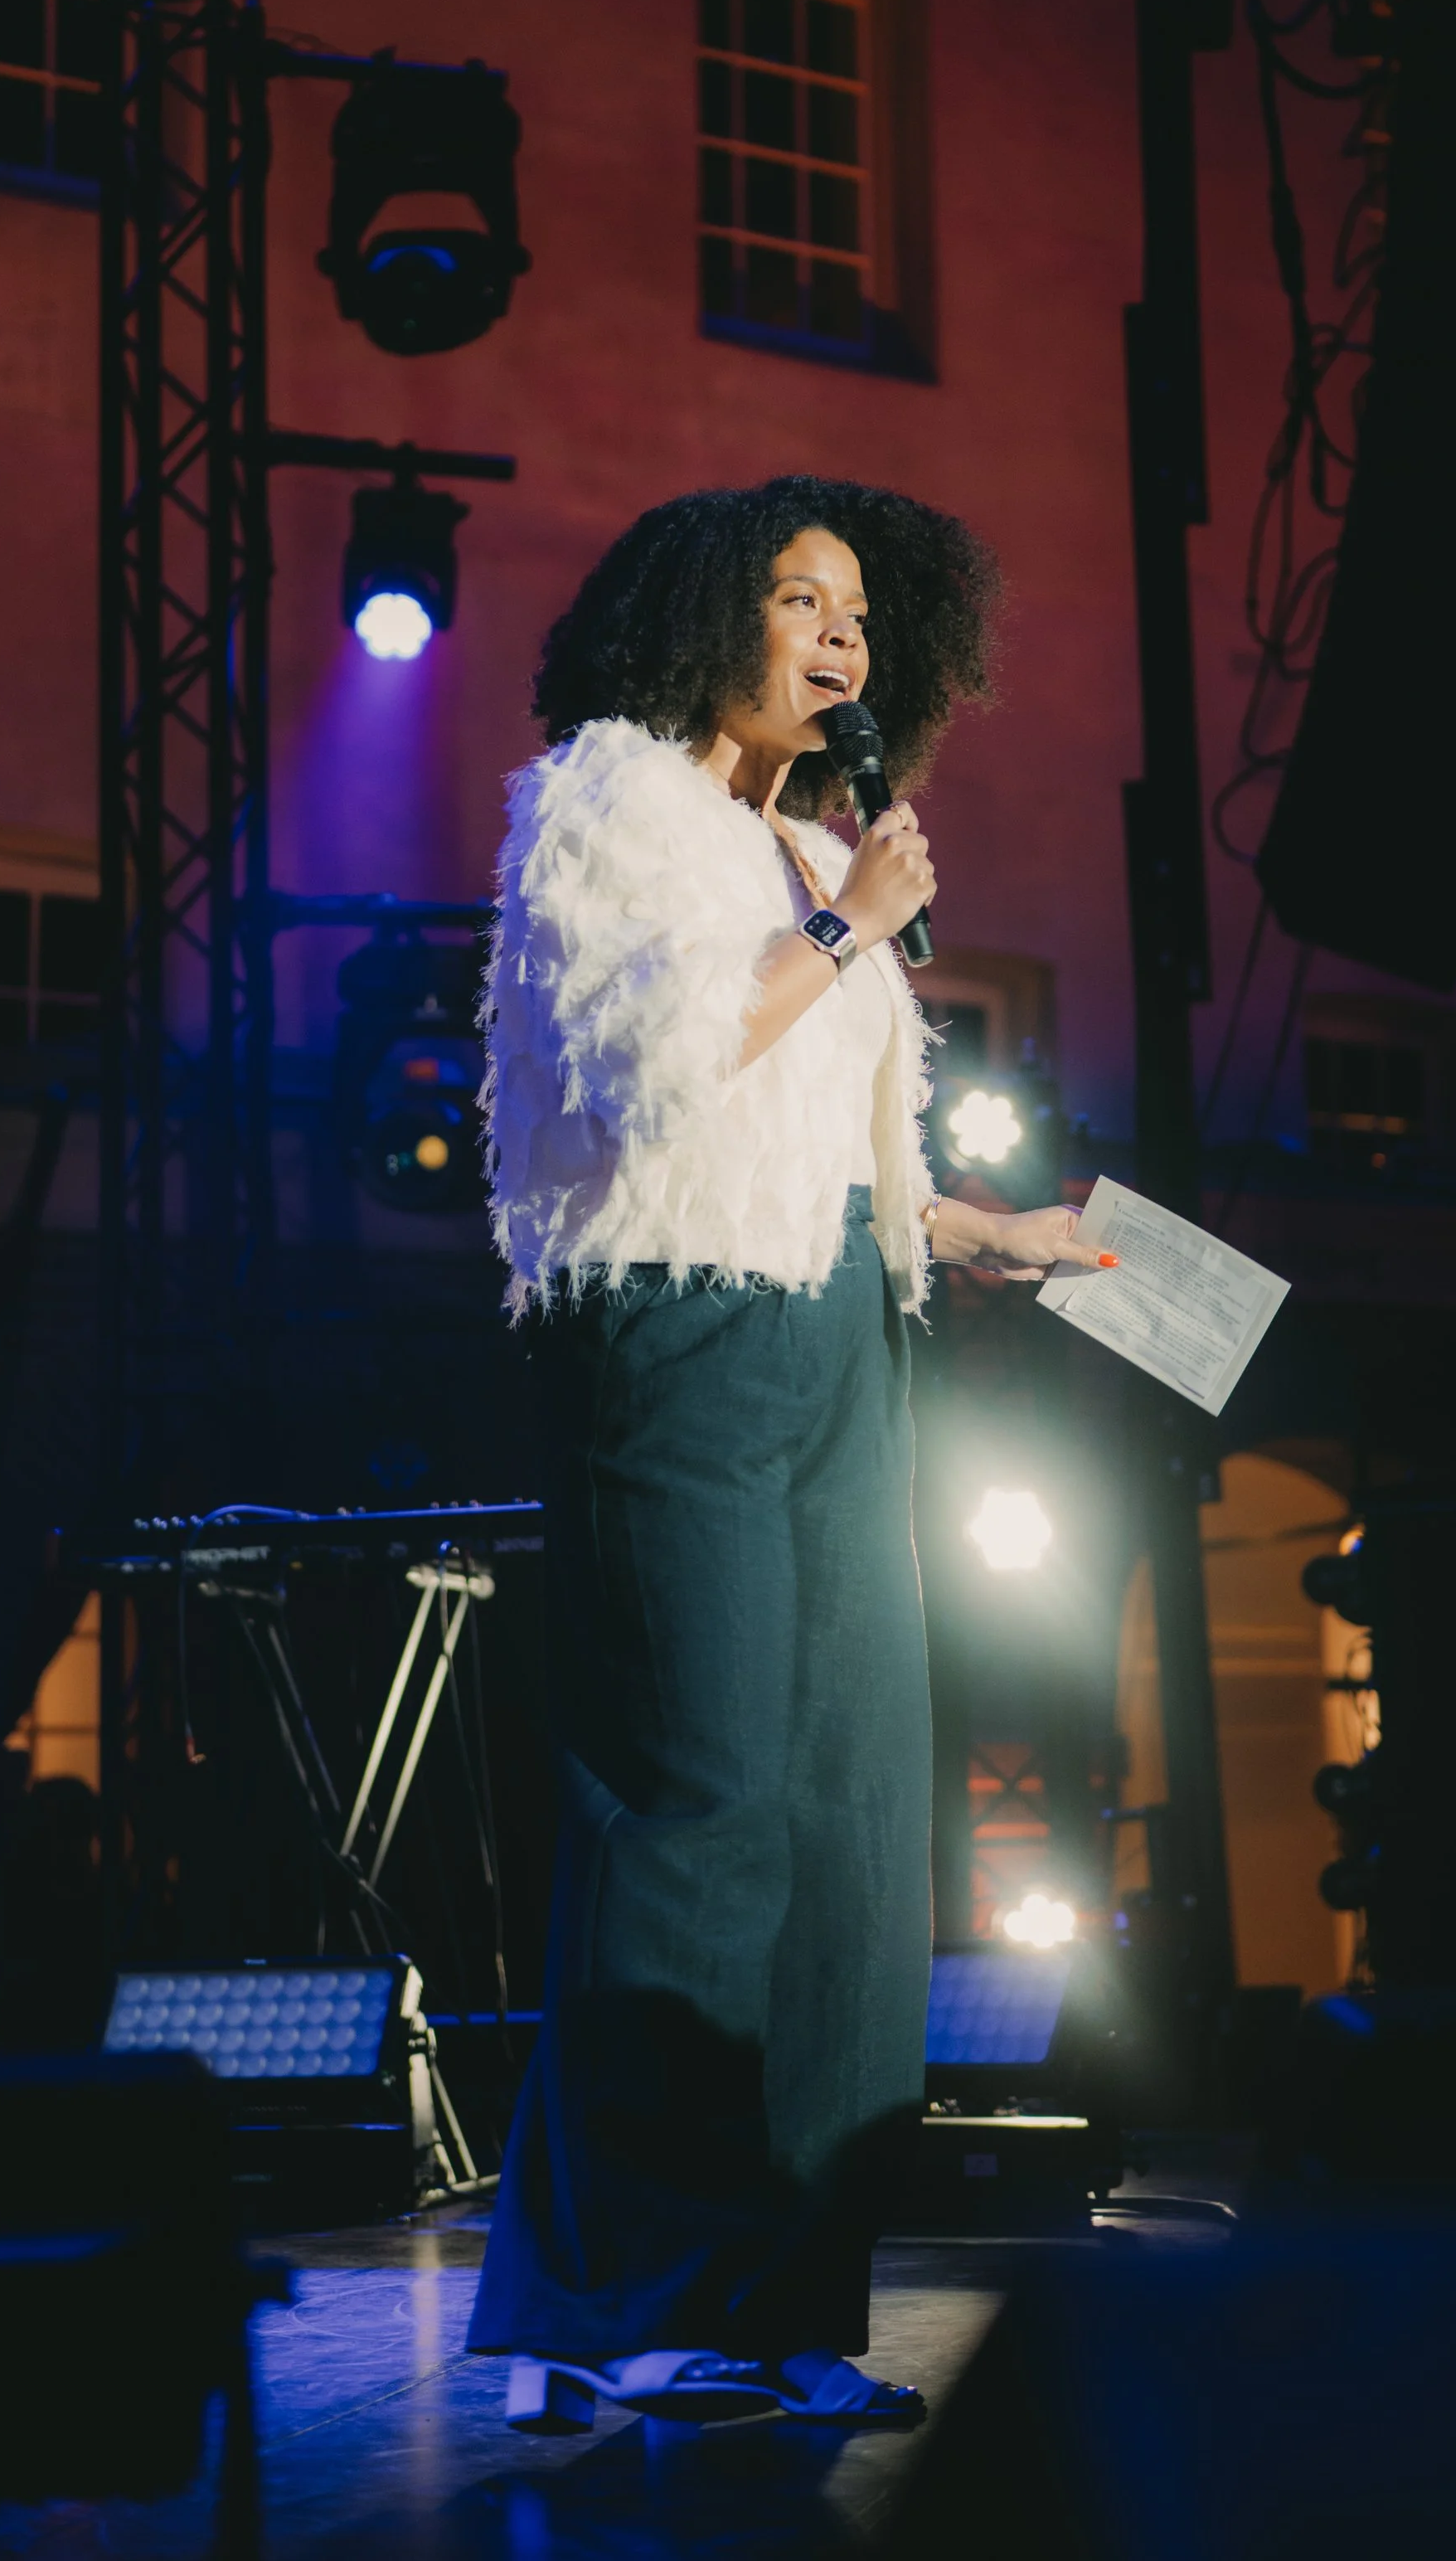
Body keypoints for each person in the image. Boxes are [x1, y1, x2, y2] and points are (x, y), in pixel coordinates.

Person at [468, 474, 1100, 2433]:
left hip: (839, 1326)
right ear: (694, 620)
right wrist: (847, 920)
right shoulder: (614, 801)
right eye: (795, 598)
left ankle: (777, 2294)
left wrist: (995, 1239)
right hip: (674, 1331)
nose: (837, 635)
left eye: (856, 611)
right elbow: (651, 1063)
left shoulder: (809, 848)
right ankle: (637, 2292)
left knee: (841, 1824)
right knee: (698, 1803)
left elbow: (849, 1146)